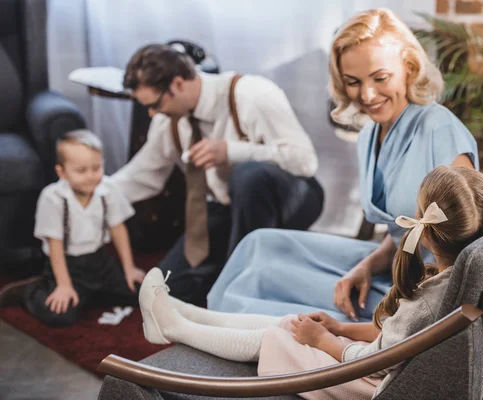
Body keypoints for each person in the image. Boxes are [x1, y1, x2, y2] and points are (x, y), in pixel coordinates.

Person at [139, 165, 483, 399]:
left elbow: (377, 360)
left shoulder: (429, 302)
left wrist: (325, 342)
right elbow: (397, 340)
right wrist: (338, 328)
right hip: (376, 367)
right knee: (293, 322)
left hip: (361, 384)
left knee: (277, 336)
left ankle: (174, 327)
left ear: (427, 231)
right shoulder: (463, 277)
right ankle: (182, 313)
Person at [207, 8, 478, 322]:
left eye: (380, 78)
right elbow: (401, 237)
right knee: (260, 244)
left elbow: (468, 244)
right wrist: (363, 267)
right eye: (353, 82)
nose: (367, 94)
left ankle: (210, 329)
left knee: (269, 284)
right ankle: (207, 320)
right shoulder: (369, 136)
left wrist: (410, 306)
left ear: (409, 67)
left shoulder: (439, 129)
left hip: (424, 287)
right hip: (392, 262)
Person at [110, 44, 324, 305]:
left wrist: (233, 151)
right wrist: (90, 193)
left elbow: (305, 162)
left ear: (177, 84)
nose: (152, 113)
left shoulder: (253, 95)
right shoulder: (168, 121)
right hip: (226, 207)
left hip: (291, 197)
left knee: (250, 176)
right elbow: (142, 175)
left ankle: (245, 282)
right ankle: (231, 273)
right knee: (167, 292)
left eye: (154, 104)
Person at [23, 130, 146, 327]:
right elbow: (55, 245)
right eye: (81, 171)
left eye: (96, 168)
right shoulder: (52, 198)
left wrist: (129, 268)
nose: (90, 176)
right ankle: (32, 291)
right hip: (68, 264)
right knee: (60, 315)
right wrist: (64, 285)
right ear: (61, 172)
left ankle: (91, 294)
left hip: (100, 260)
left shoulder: (108, 189)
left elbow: (118, 229)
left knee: (139, 294)